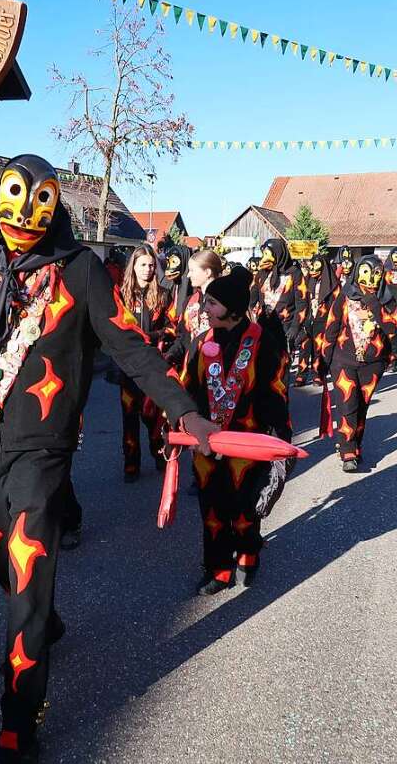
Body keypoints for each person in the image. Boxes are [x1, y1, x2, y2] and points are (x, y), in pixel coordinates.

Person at [0, 154, 216, 763]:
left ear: (55, 207)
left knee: (28, 571)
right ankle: (43, 618)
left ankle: (19, 716)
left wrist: (184, 411)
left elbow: (130, 347)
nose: (23, 216)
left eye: (39, 201)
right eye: (14, 199)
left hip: (42, 452)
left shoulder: (80, 270)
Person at [181, 266, 293, 595]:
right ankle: (218, 569)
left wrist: (280, 441)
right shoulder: (202, 342)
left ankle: (247, 554)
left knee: (244, 506)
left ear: (232, 307)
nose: (205, 309)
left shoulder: (263, 343)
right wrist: (180, 422)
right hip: (206, 443)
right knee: (212, 509)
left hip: (247, 443)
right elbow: (187, 386)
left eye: (212, 303)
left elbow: (275, 393)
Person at [320, 255, 397, 473]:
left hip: (373, 363)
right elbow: (331, 328)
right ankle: (347, 451)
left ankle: (356, 445)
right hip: (343, 361)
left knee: (361, 406)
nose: (371, 278)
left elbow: (392, 329)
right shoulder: (344, 296)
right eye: (366, 272)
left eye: (376, 273)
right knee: (348, 405)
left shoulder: (387, 299)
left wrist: (373, 302)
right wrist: (322, 362)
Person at [118, 244, 170, 481]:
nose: (148, 269)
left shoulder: (162, 294)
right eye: (143, 265)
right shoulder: (121, 295)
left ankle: (159, 453)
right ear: (133, 266)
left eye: (151, 265)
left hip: (153, 364)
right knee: (129, 417)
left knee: (152, 415)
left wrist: (154, 337)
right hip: (128, 366)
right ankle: (131, 463)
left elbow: (171, 329)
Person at [165, 249, 222, 368]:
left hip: (217, 370)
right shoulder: (189, 301)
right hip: (190, 370)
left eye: (192, 270)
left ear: (207, 272)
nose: (188, 275)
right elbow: (182, 338)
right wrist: (170, 355)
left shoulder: (225, 302)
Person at [295, 254, 339, 386]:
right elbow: (301, 298)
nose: (313, 270)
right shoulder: (307, 280)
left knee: (318, 349)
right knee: (304, 348)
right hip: (308, 319)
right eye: (312, 266)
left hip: (323, 320)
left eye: (316, 267)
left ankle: (317, 374)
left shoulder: (333, 285)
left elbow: (338, 305)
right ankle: (301, 375)